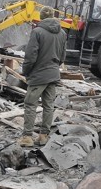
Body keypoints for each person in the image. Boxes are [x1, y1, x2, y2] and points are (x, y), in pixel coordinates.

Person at [19, 8, 67, 147]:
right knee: (49, 105)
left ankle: (27, 137)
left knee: (30, 104)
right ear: (52, 16)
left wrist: (26, 71)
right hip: (53, 74)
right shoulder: (62, 33)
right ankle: (43, 136)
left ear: (40, 17)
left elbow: (30, 56)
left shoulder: (37, 32)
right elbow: (63, 57)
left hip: (38, 75)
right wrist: (54, 67)